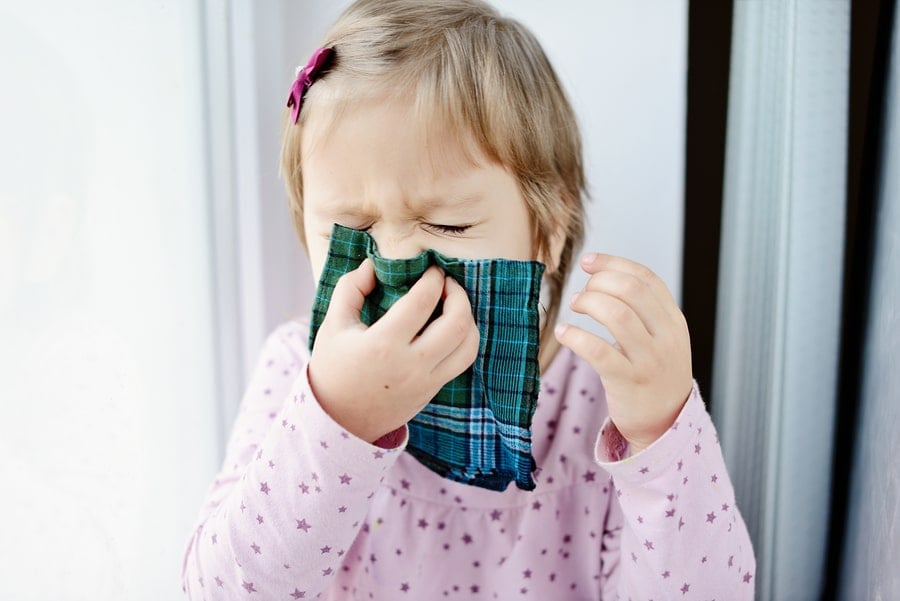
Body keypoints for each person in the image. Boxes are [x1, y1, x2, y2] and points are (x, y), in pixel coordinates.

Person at [181, 0, 756, 598]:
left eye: (449, 228)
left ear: (548, 232)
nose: (397, 262)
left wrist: (661, 438)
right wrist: (339, 420)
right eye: (350, 228)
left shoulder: (604, 408)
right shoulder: (294, 371)